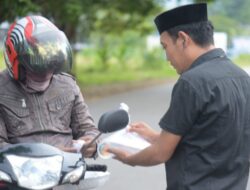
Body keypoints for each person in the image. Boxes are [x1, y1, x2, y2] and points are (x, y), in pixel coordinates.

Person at [108, 3, 250, 190]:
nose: (166, 57)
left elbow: (161, 153)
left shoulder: (191, 82)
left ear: (183, 39)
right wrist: (154, 136)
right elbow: (212, 139)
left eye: (165, 46)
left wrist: (127, 158)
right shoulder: (242, 77)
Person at [0, 15, 98, 158]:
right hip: (20, 172)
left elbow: (88, 129)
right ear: (16, 59)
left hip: (67, 169)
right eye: (36, 61)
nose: (47, 69)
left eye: (52, 60)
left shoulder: (68, 85)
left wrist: (91, 143)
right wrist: (46, 153)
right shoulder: (2, 89)